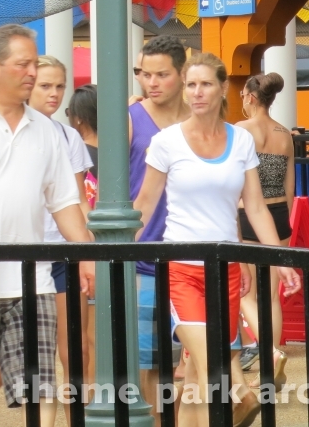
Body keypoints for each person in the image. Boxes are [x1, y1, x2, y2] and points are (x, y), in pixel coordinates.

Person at [134, 53, 301, 427]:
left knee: (196, 380)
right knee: (212, 364)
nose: (197, 92)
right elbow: (143, 205)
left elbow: (255, 207)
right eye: (191, 84)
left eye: (206, 83)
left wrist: (278, 259)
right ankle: (243, 395)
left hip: (225, 271)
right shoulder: (167, 142)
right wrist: (106, 255)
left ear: (224, 88)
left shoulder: (240, 140)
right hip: (182, 270)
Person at [0, 25, 94, 423]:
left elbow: (64, 202)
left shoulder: (48, 131)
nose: (31, 72)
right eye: (22, 64)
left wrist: (87, 256)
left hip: (32, 281)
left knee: (38, 389)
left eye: (33, 63)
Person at [29, 57, 94, 427]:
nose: (54, 94)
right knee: (32, 357)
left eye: (59, 87)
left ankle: (77, 421)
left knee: (76, 349)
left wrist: (88, 252)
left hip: (63, 252)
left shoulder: (68, 136)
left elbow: (78, 201)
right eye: (45, 86)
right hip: (21, 255)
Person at [130, 36, 191, 413]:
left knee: (202, 358)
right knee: (148, 361)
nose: (151, 82)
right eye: (145, 74)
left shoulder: (200, 118)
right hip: (144, 256)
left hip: (192, 254)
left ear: (182, 74)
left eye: (162, 74)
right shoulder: (131, 116)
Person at [235, 72, 295, 384]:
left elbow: (234, 182)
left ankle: (267, 350)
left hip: (247, 215)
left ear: (251, 96)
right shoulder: (284, 134)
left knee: (245, 293)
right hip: (279, 213)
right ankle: (272, 358)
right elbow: (290, 185)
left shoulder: (240, 130)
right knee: (272, 295)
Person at [68, 84, 100, 385]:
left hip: (83, 245)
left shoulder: (77, 153)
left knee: (86, 340)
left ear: (78, 118)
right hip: (111, 246)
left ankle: (91, 402)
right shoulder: (119, 154)